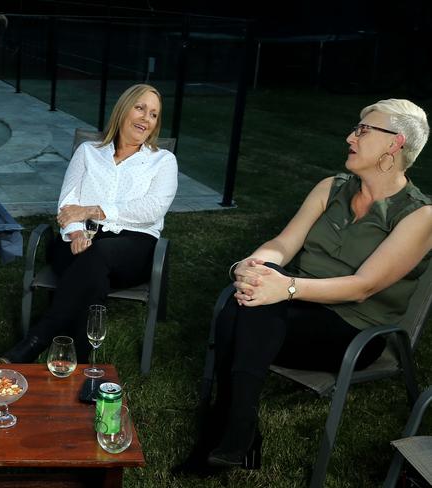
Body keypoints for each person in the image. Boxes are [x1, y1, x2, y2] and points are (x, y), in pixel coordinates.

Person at [178, 98, 432, 473]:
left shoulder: (419, 215)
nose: (351, 136)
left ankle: (229, 429)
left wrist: (285, 288)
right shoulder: (332, 188)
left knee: (246, 312)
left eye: (363, 130)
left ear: (394, 143)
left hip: (355, 327)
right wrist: (255, 265)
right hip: (295, 307)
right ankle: (238, 430)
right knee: (245, 303)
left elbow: (363, 286)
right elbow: (283, 244)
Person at [0, 83, 178, 363]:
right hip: (78, 243)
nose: (146, 118)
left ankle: (38, 338)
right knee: (92, 273)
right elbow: (67, 205)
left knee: (98, 256)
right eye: (140, 108)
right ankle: (80, 364)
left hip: (133, 247)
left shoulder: (163, 161)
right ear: (123, 109)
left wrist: (93, 210)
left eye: (154, 114)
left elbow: (152, 208)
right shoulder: (88, 152)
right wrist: (76, 233)